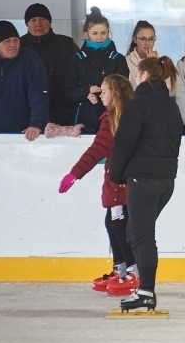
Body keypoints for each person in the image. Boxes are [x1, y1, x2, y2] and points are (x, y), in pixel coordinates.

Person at [109, 56, 183, 311]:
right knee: (134, 232)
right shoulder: (172, 108)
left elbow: (123, 145)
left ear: (144, 76)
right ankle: (144, 288)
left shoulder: (137, 106)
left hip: (143, 179)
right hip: (165, 181)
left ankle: (146, 292)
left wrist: (116, 175)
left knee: (141, 236)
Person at [58, 74, 139, 295]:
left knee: (120, 226)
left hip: (121, 182)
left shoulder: (114, 119)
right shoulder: (124, 115)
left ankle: (132, 271)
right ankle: (121, 269)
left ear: (116, 94)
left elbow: (97, 149)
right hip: (122, 181)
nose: (100, 96)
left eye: (104, 92)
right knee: (113, 224)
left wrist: (75, 174)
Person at [65, 7, 129, 134]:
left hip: (111, 118)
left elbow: (123, 90)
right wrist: (86, 91)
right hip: (83, 121)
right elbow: (68, 93)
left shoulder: (118, 59)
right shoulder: (77, 59)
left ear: (108, 32)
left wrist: (103, 94)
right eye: (95, 33)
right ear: (86, 34)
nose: (99, 37)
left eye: (103, 33)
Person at [19, 3, 80, 126]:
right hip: (28, 113)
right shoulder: (20, 46)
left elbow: (81, 71)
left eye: (42, 19)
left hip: (64, 112)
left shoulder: (66, 44)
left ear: (50, 22)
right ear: (27, 24)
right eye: (33, 20)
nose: (38, 24)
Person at [0, 21, 49, 141]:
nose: (13, 44)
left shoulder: (29, 59)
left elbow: (39, 93)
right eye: (7, 41)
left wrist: (37, 124)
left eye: (16, 40)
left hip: (24, 133)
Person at [125, 20, 161, 90]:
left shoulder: (162, 63)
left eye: (151, 39)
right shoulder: (126, 62)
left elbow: (168, 88)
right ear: (135, 39)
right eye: (143, 39)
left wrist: (154, 64)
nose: (147, 43)